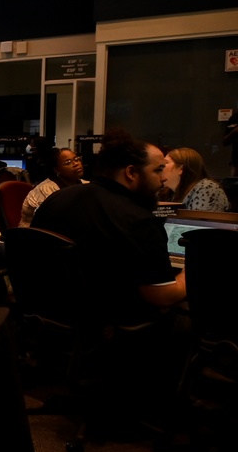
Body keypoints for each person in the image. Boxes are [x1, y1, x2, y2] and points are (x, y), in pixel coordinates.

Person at [32, 129, 186, 326]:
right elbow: (162, 296)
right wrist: (189, 273)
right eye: (157, 170)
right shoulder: (137, 219)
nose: (163, 178)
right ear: (131, 173)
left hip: (49, 320)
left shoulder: (57, 199)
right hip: (109, 329)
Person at [19, 148, 87, 227]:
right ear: (56, 169)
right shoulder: (46, 190)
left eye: (76, 159)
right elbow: (54, 222)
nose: (76, 163)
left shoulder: (86, 184)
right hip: (39, 233)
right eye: (68, 162)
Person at [162, 147, 229, 212]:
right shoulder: (169, 193)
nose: (160, 166)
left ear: (181, 169)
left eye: (165, 163)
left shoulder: (207, 188)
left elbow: (202, 222)